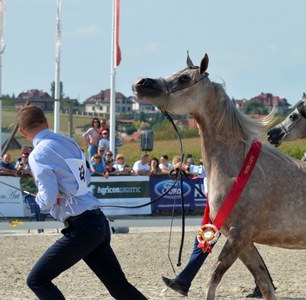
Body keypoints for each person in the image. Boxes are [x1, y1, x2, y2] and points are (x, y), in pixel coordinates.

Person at [17, 105, 146, 299]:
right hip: (98, 222)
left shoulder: (37, 155)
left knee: (37, 280)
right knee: (120, 286)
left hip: (81, 228)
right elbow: (85, 178)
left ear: (21, 131)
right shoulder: (68, 141)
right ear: (46, 122)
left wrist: (40, 199)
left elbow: (48, 197)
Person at [162, 161, 270, 298]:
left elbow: (213, 172)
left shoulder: (223, 160)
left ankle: (183, 281)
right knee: (242, 246)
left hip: (222, 208)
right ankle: (265, 283)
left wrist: (188, 167)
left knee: (204, 243)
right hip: (217, 206)